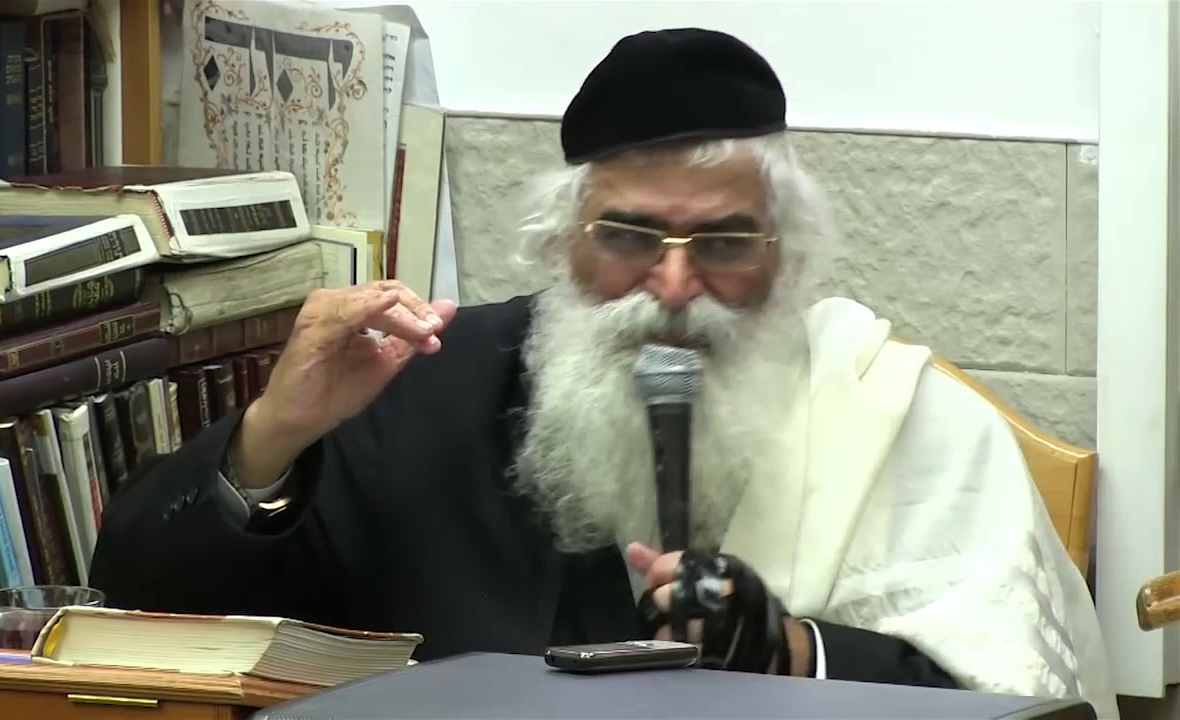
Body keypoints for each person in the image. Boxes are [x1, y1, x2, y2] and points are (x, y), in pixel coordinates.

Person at [89, 28, 1117, 715]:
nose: (671, 287)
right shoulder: (426, 388)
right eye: (629, 236)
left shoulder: (899, 417)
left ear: (787, 257)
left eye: (723, 243)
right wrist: (273, 432)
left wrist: (795, 653)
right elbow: (141, 605)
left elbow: (1015, 702)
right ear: (561, 243)